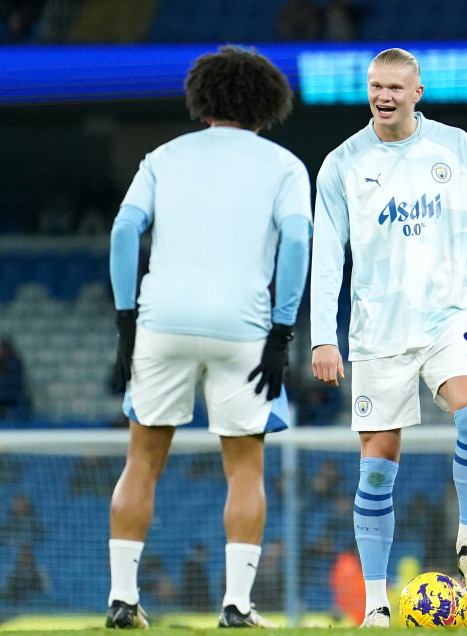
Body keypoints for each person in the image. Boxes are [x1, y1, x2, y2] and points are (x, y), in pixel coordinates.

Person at [309, 47, 467, 628]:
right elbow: (327, 255)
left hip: (447, 316)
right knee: (378, 465)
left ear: (417, 93)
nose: (383, 95)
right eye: (375, 85)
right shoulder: (341, 164)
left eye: (395, 86)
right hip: (377, 332)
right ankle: (378, 603)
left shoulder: (454, 148)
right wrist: (321, 337)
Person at [105, 46, 312, 629]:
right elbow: (297, 244)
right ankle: (237, 606)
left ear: (202, 100)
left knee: (141, 461)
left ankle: (123, 599)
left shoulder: (163, 157)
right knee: (244, 469)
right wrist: (283, 329)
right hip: (242, 328)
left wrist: (127, 320)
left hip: (161, 322)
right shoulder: (284, 166)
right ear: (268, 105)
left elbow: (125, 230)